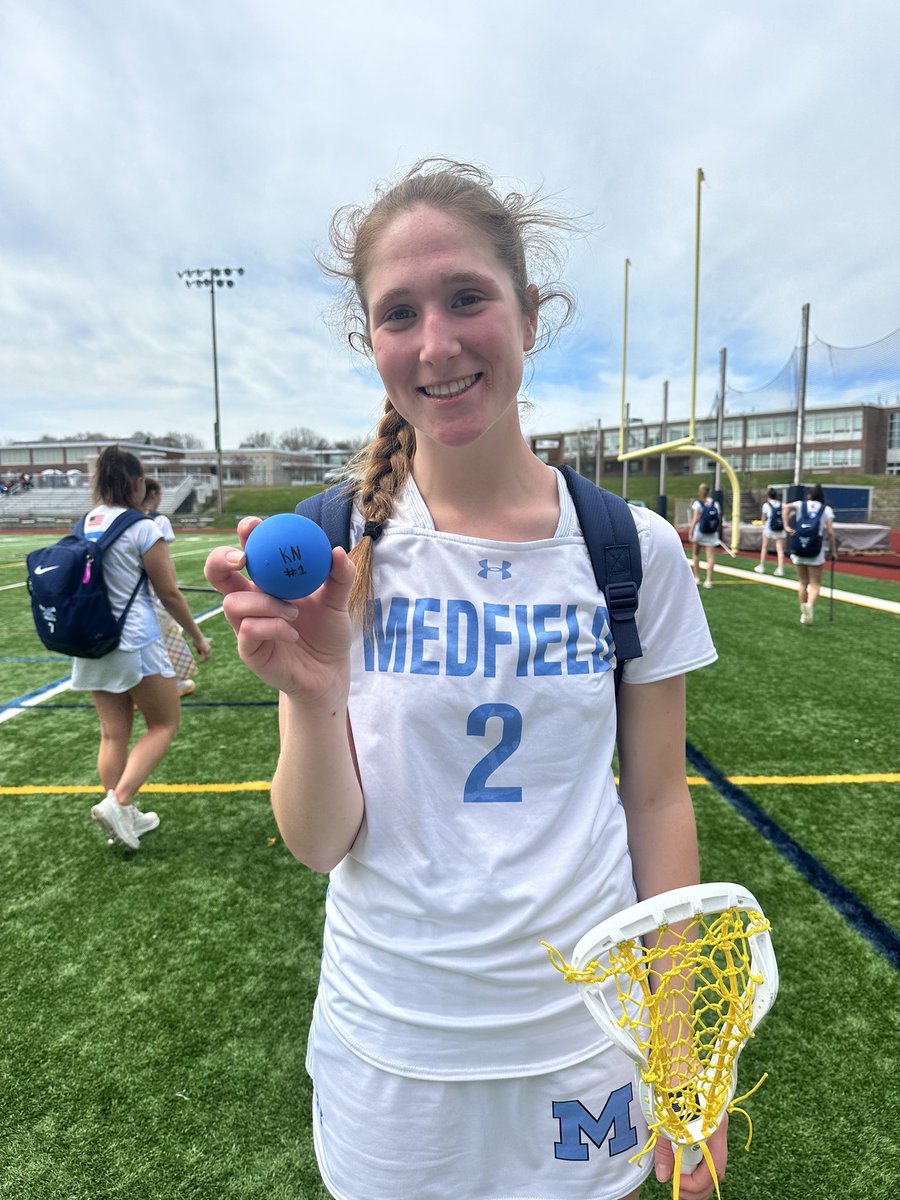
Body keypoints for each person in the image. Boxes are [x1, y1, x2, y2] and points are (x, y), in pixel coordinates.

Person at [205, 158, 722, 1200]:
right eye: (399, 314)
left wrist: (681, 1057)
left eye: (468, 298)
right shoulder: (335, 540)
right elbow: (318, 845)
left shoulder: (636, 550)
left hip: (587, 1047)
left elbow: (659, 802)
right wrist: (311, 696)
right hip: (394, 1061)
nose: (436, 343)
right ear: (371, 342)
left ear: (530, 313)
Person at [73, 446, 211, 849]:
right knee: (164, 722)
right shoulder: (143, 527)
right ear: (137, 483)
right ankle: (120, 802)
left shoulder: (84, 523)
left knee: (112, 735)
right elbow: (167, 591)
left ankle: (123, 815)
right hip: (135, 639)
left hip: (92, 639)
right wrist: (197, 637)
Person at [142, 478, 199, 697]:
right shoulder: (157, 521)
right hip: (156, 593)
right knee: (168, 634)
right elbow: (164, 560)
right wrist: (172, 585)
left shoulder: (126, 520)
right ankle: (173, 681)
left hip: (131, 596)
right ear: (153, 495)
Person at [783, 483, 837, 625]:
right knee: (815, 584)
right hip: (815, 550)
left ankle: (803, 613)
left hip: (799, 548)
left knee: (802, 583)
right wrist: (833, 550)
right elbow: (830, 532)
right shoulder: (826, 510)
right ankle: (810, 605)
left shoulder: (801, 504)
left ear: (809, 495)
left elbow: (786, 507)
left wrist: (786, 526)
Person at [688, 483, 719, 589]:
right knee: (710, 556)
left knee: (696, 554)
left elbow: (694, 519)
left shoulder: (698, 503)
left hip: (700, 532)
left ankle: (696, 577)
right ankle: (708, 580)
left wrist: (690, 532)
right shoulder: (715, 504)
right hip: (711, 532)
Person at [754, 487, 786, 576]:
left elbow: (763, 518)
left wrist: (763, 525)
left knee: (764, 547)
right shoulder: (781, 504)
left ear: (768, 495)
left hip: (769, 528)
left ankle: (762, 566)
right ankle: (780, 569)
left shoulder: (766, 505)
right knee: (780, 549)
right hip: (780, 528)